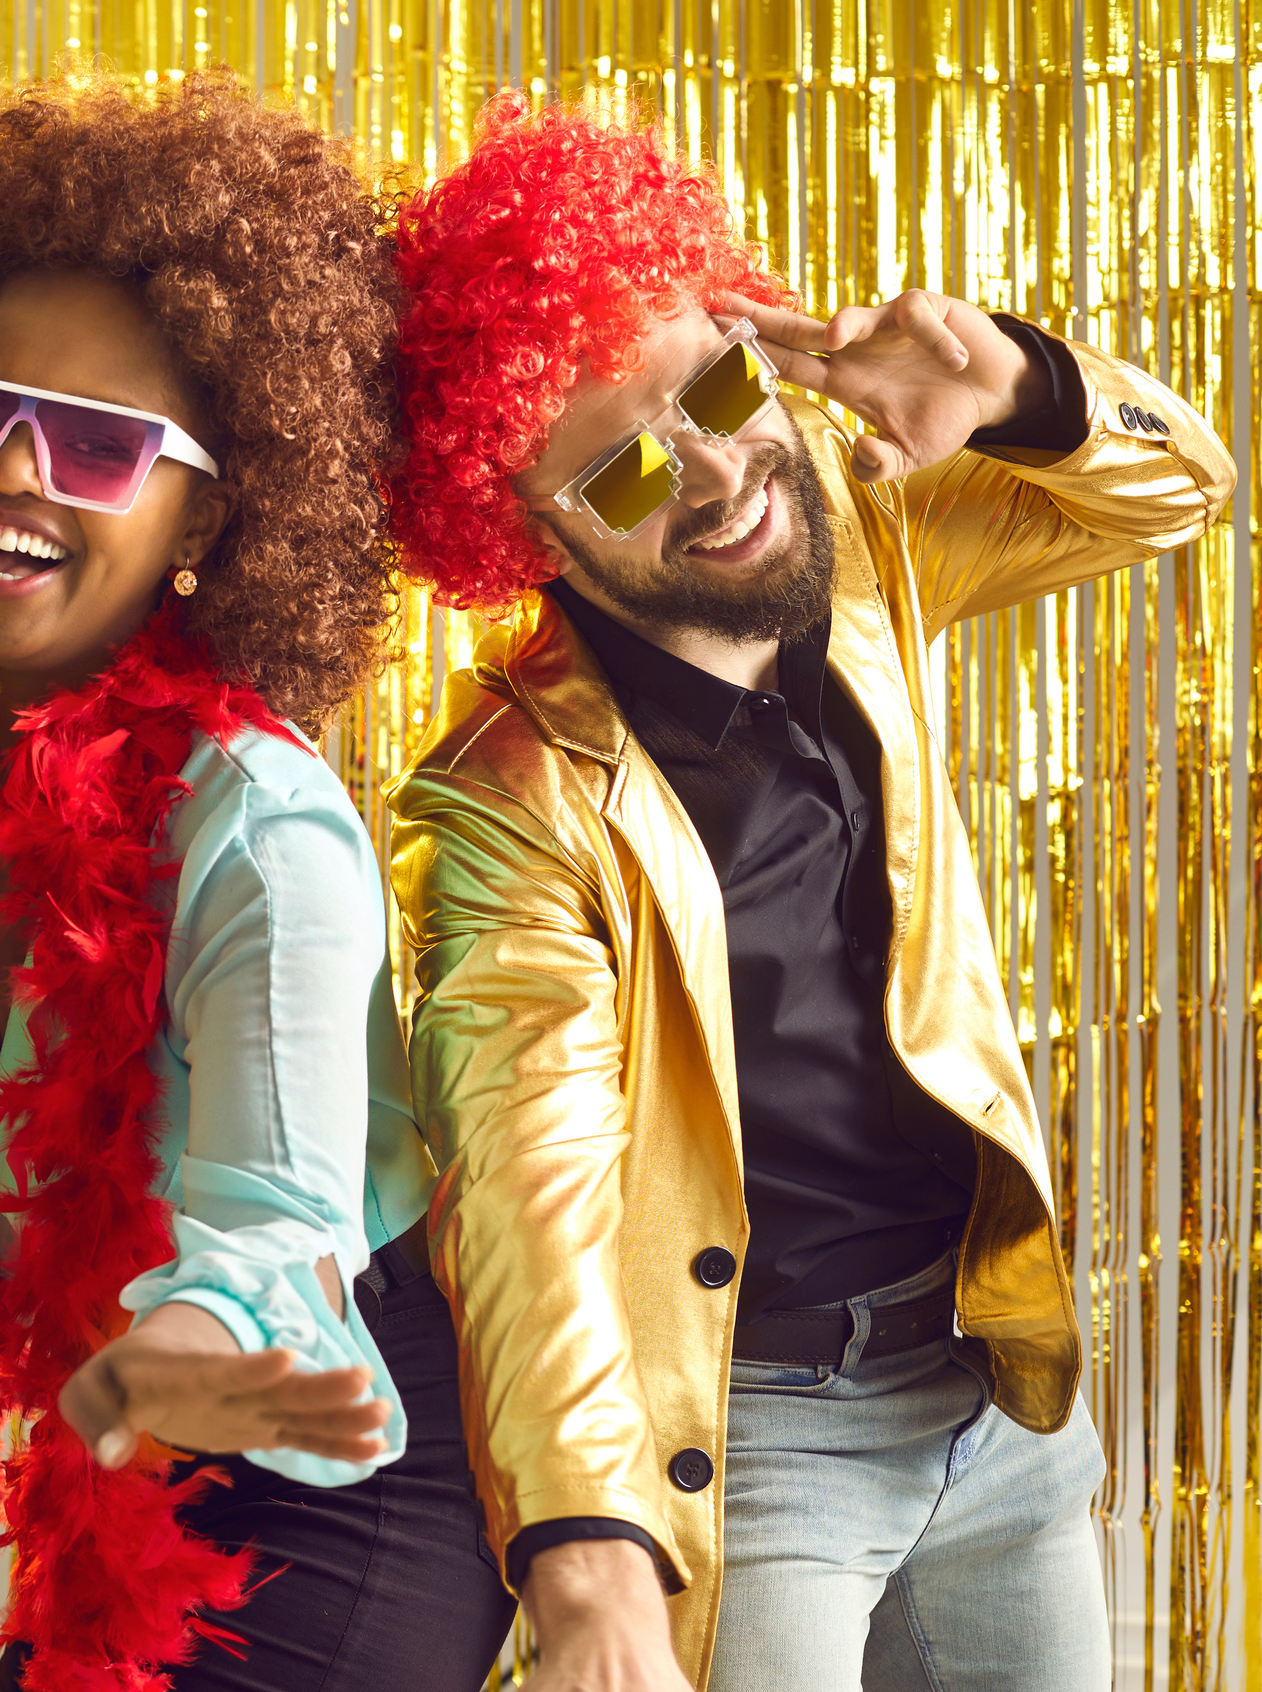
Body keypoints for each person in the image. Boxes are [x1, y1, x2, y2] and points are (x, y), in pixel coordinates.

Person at [380, 93, 1233, 1692]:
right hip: (759, 1442)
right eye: (624, 474)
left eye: (710, 384)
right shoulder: (502, 803)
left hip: (991, 1388)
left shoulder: (855, 524)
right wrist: (579, 1540)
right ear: (522, 536)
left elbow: (1175, 490)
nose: (713, 475)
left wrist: (1025, 389)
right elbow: (517, 1182)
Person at [0, 71, 515, 1692]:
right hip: (127, 1456)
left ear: (216, 508)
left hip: (325, 1484)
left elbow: (275, 1226)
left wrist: (165, 1358)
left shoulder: (261, 829)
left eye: (102, 448)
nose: (12, 478)